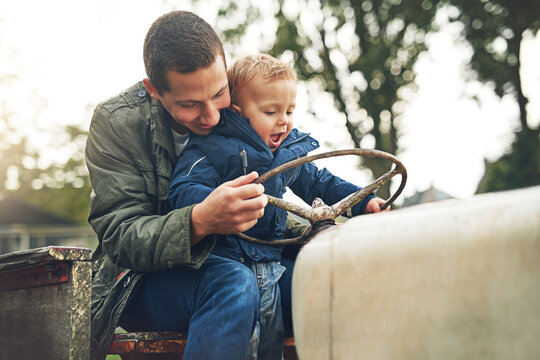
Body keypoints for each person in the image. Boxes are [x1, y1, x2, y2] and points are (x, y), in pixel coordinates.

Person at [85, 11, 308, 360]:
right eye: (190, 104)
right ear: (154, 90)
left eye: (219, 94)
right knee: (234, 283)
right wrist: (199, 220)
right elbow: (120, 237)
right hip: (145, 279)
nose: (213, 117)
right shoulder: (116, 123)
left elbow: (269, 197)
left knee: (323, 277)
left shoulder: (245, 101)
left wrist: (318, 230)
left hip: (246, 257)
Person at [168, 54, 389, 358]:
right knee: (235, 291)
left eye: (289, 110)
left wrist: (364, 200)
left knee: (324, 284)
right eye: (271, 111)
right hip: (223, 259)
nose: (283, 120)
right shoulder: (212, 148)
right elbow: (182, 191)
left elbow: (320, 182)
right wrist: (213, 203)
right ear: (238, 111)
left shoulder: (288, 152)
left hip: (272, 263)